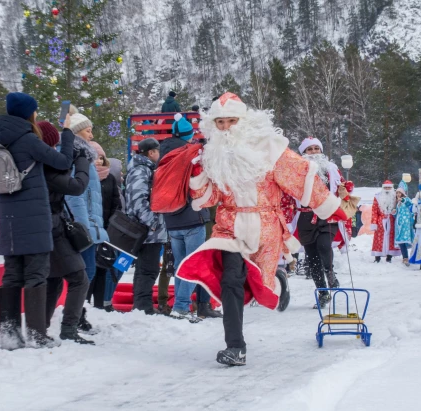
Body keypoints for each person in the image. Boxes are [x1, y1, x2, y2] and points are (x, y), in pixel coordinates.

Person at [176, 93, 346, 365]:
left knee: (260, 284)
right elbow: (207, 200)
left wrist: (326, 204)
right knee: (231, 279)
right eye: (220, 122)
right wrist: (197, 174)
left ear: (243, 120)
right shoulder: (213, 153)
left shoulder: (269, 147)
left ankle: (277, 276)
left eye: (232, 120)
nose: (226, 127)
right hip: (228, 226)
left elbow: (298, 173)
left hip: (265, 225)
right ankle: (236, 346)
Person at [0, 92, 74, 349]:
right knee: (37, 274)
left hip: (8, 218)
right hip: (35, 218)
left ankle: (10, 335)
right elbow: (63, 162)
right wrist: (67, 133)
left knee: (12, 275)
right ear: (29, 113)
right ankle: (38, 335)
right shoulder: (27, 139)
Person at [39, 120, 94, 345]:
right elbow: (76, 186)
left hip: (47, 227)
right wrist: (82, 161)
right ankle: (69, 328)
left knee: (53, 279)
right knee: (79, 278)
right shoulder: (46, 165)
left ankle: (40, 327)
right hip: (53, 229)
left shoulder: (39, 162)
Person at [160, 114, 217, 320]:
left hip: (171, 220)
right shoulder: (190, 154)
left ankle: (179, 305)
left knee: (180, 265)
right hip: (193, 218)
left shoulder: (163, 156)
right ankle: (181, 306)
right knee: (193, 265)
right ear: (188, 135)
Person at [65, 106, 109, 329]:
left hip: (88, 223)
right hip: (83, 225)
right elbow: (75, 195)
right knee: (85, 272)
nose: (91, 135)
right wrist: (85, 226)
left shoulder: (83, 156)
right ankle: (74, 317)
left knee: (85, 273)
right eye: (88, 131)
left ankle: (77, 314)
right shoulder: (76, 156)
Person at [296, 137, 345, 308]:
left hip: (326, 214)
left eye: (317, 148)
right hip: (306, 217)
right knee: (313, 259)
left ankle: (330, 274)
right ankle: (323, 293)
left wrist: (346, 189)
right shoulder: (297, 170)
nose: (314, 152)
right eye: (310, 150)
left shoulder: (331, 168)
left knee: (324, 246)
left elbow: (342, 187)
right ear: (303, 153)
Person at [127, 138, 168, 314]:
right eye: (157, 152)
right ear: (151, 153)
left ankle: (142, 304)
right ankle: (143, 306)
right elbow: (138, 200)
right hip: (147, 230)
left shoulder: (144, 170)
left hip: (149, 229)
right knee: (148, 269)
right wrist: (152, 222)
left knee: (146, 268)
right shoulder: (141, 171)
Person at [87, 141, 121, 310]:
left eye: (101, 158)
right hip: (89, 231)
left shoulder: (110, 179)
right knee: (89, 270)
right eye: (95, 158)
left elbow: (116, 203)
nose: (99, 161)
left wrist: (110, 225)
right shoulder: (84, 177)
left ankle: (99, 306)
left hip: (106, 231)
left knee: (102, 268)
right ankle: (84, 305)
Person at [370, 180, 401, 262]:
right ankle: (377, 257)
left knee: (391, 238)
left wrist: (395, 211)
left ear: (392, 188)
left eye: (389, 187)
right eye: (386, 187)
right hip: (381, 220)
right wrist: (374, 223)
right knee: (379, 238)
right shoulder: (377, 196)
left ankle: (389, 256)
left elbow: (401, 208)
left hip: (392, 220)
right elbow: (374, 211)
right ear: (383, 188)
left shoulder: (396, 196)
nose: (387, 189)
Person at [393, 185, 414, 266]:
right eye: (397, 193)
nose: (398, 194)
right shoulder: (397, 202)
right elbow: (397, 213)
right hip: (399, 224)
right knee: (401, 241)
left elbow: (410, 204)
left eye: (399, 193)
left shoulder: (406, 199)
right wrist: (394, 213)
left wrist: (403, 200)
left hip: (406, 224)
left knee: (406, 240)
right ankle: (405, 257)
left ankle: (410, 256)